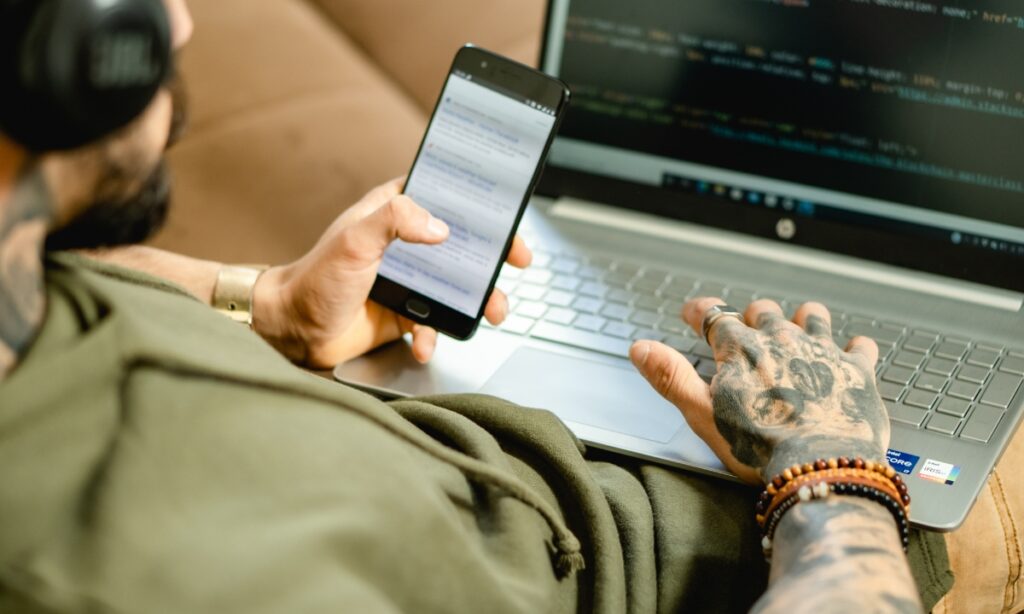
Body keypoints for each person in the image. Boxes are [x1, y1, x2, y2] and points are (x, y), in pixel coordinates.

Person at [0, 0, 952, 612]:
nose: (180, 23)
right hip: (755, 548)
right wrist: (832, 472)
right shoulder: (105, 572)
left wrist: (268, 303)